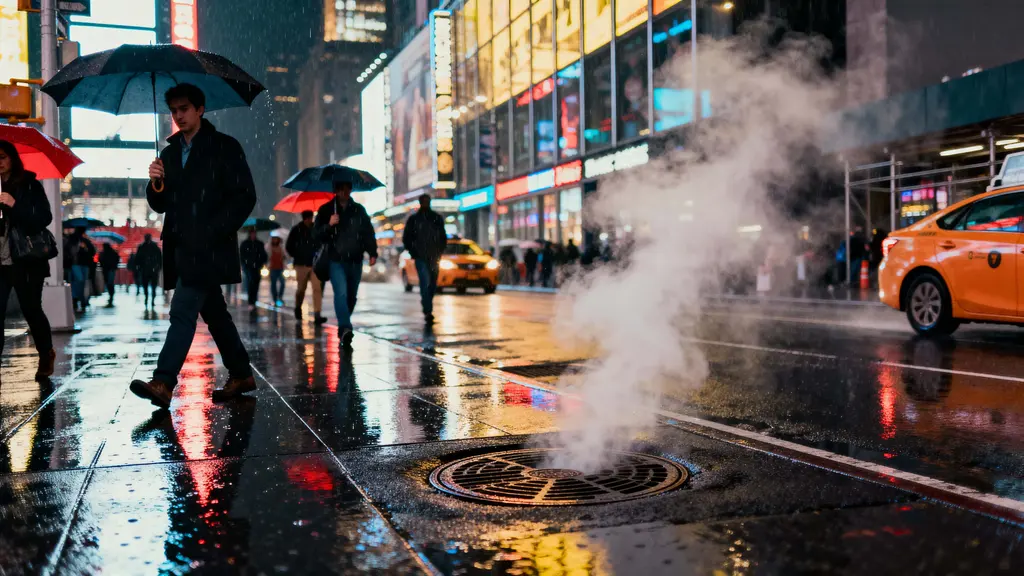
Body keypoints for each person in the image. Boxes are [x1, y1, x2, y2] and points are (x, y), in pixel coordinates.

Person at [129, 83, 257, 410]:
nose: (178, 115)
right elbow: (161, 204)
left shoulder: (224, 147)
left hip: (208, 247)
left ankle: (163, 381)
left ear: (200, 109)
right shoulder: (169, 154)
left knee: (182, 311)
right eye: (174, 111)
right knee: (215, 314)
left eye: (184, 109)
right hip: (180, 247)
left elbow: (244, 196)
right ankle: (242, 373)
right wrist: (155, 183)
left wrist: (213, 231)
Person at [0, 140, 55, 381]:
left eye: (2, 157)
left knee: (31, 309)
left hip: (26, 259)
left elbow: (43, 217)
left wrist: (14, 204)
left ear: (12, 158)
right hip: (0, 261)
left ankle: (46, 353)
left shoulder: (30, 184)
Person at [313, 181, 377, 348]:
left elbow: (368, 232)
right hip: (336, 259)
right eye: (341, 189)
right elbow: (316, 235)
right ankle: (345, 327)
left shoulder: (359, 210)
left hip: (355, 259)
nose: (344, 192)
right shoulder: (326, 210)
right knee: (340, 294)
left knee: (351, 296)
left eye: (347, 188)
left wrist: (372, 252)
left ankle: (344, 322)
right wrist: (329, 225)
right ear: (336, 190)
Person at [401, 194, 446, 323]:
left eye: (427, 201)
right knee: (425, 281)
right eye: (424, 201)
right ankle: (428, 309)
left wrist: (440, 251)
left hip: (433, 256)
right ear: (421, 202)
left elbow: (442, 236)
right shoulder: (414, 220)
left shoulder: (436, 218)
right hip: (420, 256)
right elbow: (407, 238)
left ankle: (427, 303)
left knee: (432, 283)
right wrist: (413, 251)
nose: (426, 203)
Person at [286, 210, 324, 323]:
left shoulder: (316, 228)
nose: (310, 220)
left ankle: (317, 314)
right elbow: (289, 246)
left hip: (314, 264)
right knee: (301, 289)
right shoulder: (296, 230)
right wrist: (298, 254)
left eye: (311, 218)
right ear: (304, 218)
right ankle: (298, 307)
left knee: (317, 289)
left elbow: (321, 242)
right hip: (301, 264)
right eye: (308, 218)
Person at [65, 226, 95, 312]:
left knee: (78, 282)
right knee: (80, 282)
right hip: (79, 264)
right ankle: (81, 300)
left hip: (76, 264)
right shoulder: (80, 241)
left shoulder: (73, 240)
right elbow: (92, 252)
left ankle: (77, 299)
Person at [239, 230, 267, 310]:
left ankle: (253, 300)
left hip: (257, 267)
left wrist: (261, 262)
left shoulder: (259, 243)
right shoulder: (245, 243)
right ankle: (251, 301)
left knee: (256, 283)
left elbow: (263, 254)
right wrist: (245, 264)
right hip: (248, 267)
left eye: (254, 233)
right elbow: (242, 255)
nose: (253, 235)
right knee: (250, 283)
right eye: (252, 233)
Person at [135, 234, 162, 310]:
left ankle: (148, 299)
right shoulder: (154, 246)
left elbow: (137, 258)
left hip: (146, 270)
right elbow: (159, 258)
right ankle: (151, 299)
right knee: (152, 286)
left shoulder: (142, 247)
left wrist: (139, 267)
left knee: (147, 286)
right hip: (151, 270)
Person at [99, 242, 120, 306]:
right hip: (110, 270)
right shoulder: (113, 253)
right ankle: (111, 295)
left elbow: (100, 260)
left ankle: (111, 295)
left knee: (109, 283)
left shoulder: (104, 253)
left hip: (107, 270)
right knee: (110, 283)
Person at [267, 235, 285, 307]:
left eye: (276, 239)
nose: (275, 240)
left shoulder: (281, 247)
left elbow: (285, 256)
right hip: (272, 268)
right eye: (274, 239)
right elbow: (268, 257)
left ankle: (280, 297)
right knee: (273, 284)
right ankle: (275, 299)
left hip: (280, 268)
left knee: (282, 283)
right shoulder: (269, 247)